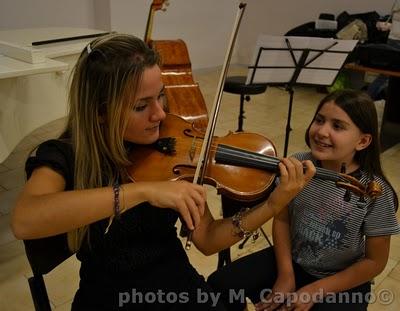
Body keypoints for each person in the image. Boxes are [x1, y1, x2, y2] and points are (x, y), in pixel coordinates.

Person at [11, 33, 315, 310]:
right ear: (101, 112)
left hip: (177, 288)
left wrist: (273, 205)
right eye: (141, 106)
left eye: (161, 97)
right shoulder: (66, 155)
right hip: (110, 299)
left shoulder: (169, 146)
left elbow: (207, 239)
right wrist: (142, 191)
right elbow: (25, 220)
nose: (160, 114)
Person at [208, 89, 400, 311]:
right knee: (220, 284)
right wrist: (286, 274)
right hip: (291, 259)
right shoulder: (298, 165)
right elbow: (282, 219)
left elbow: (375, 262)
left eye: (337, 126)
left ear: (363, 140)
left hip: (340, 278)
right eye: (319, 120)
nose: (321, 131)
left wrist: (315, 290)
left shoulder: (375, 191)